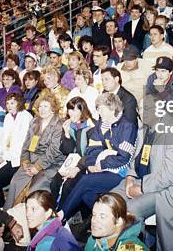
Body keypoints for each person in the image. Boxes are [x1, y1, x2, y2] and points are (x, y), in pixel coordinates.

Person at [114, 84, 173, 250]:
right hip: (144, 178)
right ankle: (123, 243)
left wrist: (142, 188)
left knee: (131, 209)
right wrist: (130, 177)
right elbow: (135, 159)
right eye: (141, 109)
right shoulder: (145, 129)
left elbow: (171, 175)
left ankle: (134, 246)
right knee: (111, 199)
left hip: (170, 186)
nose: (143, 112)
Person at [59, 93, 138, 221]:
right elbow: (92, 148)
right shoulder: (102, 124)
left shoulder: (127, 126)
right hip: (102, 168)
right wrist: (91, 164)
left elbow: (123, 157)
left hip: (121, 172)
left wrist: (102, 164)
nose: (98, 112)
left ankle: (62, 215)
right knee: (86, 194)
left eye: (101, 109)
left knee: (85, 180)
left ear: (112, 109)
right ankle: (111, 220)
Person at [4, 91, 64, 209]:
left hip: (50, 164)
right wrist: (25, 162)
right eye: (40, 106)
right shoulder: (34, 121)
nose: (42, 109)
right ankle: (10, 215)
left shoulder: (59, 125)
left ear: (53, 108)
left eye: (46, 106)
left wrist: (37, 167)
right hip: (31, 162)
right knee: (15, 181)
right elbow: (26, 144)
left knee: (34, 189)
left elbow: (54, 150)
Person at [0, 93, 33, 207]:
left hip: (18, 159)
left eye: (12, 103)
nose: (9, 106)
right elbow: (4, 138)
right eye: (7, 103)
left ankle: (0, 210)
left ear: (19, 103)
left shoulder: (25, 117)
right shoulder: (8, 117)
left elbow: (22, 143)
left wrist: (3, 157)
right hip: (7, 157)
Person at [49, 97, 95, 210]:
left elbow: (92, 152)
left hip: (86, 163)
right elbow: (66, 151)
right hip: (73, 161)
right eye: (69, 110)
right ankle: (52, 210)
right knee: (54, 182)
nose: (71, 113)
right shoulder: (69, 125)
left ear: (82, 110)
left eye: (75, 110)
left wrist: (78, 167)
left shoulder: (91, 126)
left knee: (68, 186)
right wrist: (67, 134)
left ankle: (63, 214)